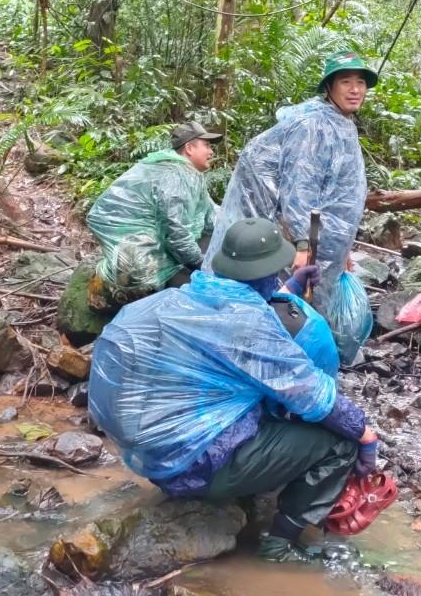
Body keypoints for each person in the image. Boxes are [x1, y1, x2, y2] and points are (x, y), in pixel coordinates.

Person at [89, 218, 379, 563]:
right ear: (270, 271)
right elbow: (314, 396)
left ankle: (241, 493)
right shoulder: (251, 327)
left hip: (149, 457)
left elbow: (236, 309)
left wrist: (289, 289)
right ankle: (279, 547)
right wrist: (365, 437)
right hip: (194, 465)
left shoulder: (177, 299)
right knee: (338, 441)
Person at [204, 51, 377, 363]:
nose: (355, 89)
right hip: (284, 234)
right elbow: (299, 193)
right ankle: (284, 366)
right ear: (329, 88)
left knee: (307, 302)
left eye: (361, 82)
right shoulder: (313, 125)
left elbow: (336, 191)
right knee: (284, 302)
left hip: (318, 237)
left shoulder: (340, 121)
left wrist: (343, 248)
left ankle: (306, 360)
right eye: (346, 82)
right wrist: (300, 245)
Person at [85, 121, 220, 307]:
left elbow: (211, 214)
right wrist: (202, 265)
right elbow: (175, 232)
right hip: (142, 264)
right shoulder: (176, 175)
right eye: (206, 145)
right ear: (189, 148)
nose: (211, 152)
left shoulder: (183, 173)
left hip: (139, 252)